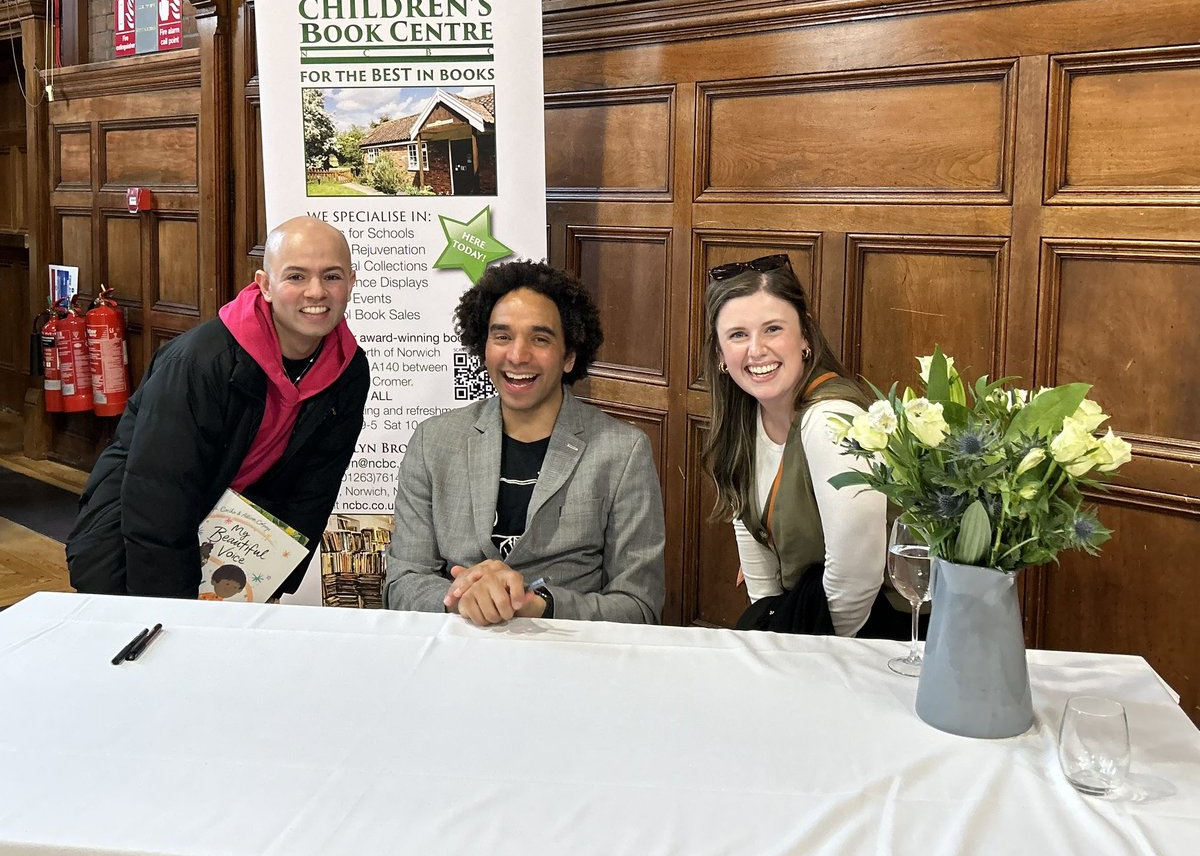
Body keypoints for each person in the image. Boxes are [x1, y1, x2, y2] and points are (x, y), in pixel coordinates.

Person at [67, 215, 369, 599]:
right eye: (296, 276)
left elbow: (314, 490)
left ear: (351, 282)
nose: (316, 292)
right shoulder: (199, 363)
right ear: (266, 286)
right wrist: (170, 610)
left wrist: (271, 579)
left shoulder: (348, 369)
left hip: (236, 539)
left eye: (332, 276)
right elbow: (158, 495)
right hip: (132, 541)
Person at [384, 259, 665, 626]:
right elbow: (401, 583)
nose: (517, 355)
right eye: (502, 336)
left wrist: (539, 604)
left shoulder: (623, 451)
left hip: (567, 656)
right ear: (483, 346)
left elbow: (640, 606)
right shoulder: (433, 440)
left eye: (540, 338)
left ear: (569, 356)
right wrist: (460, 598)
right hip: (457, 653)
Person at [702, 253, 889, 636]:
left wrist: (808, 654)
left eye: (772, 329)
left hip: (869, 634)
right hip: (803, 625)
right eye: (738, 335)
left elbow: (856, 578)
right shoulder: (743, 418)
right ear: (721, 354)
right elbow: (749, 527)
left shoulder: (832, 421)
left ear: (804, 337)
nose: (756, 350)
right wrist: (770, 621)